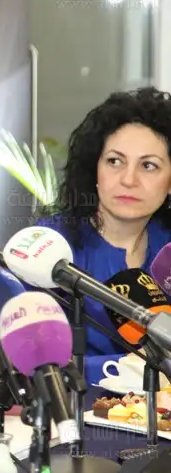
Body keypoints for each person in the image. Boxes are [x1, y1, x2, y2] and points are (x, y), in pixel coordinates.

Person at [35, 87, 171, 355]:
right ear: (94, 170)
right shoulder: (49, 246)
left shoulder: (167, 245)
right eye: (115, 161)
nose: (128, 180)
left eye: (148, 166)